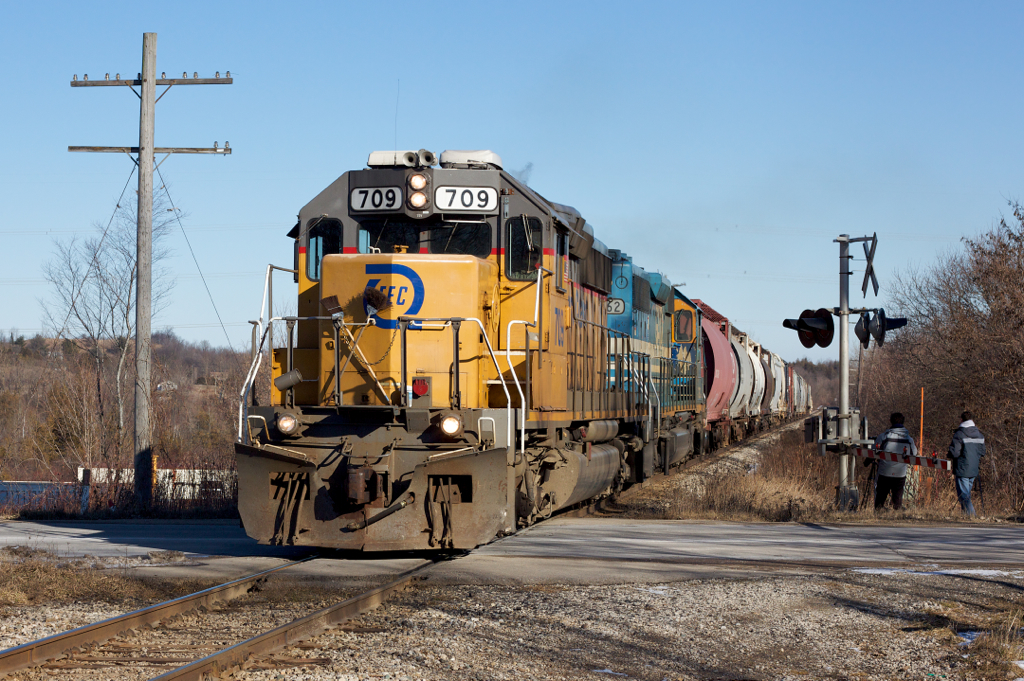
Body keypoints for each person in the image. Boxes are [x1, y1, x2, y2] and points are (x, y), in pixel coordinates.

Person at [871, 412, 918, 510]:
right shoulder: (909, 439)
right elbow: (914, 453)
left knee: (881, 496)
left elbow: (873, 451)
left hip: (884, 471)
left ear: (890, 421)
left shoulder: (884, 436)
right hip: (900, 473)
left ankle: (879, 510)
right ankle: (897, 512)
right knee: (897, 497)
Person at [948, 410, 986, 517]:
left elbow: (955, 453)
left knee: (964, 495)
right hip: (974, 468)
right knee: (966, 494)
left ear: (961, 420)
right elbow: (983, 452)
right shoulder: (980, 435)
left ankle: (972, 516)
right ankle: (966, 516)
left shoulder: (959, 434)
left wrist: (949, 451)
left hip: (962, 467)